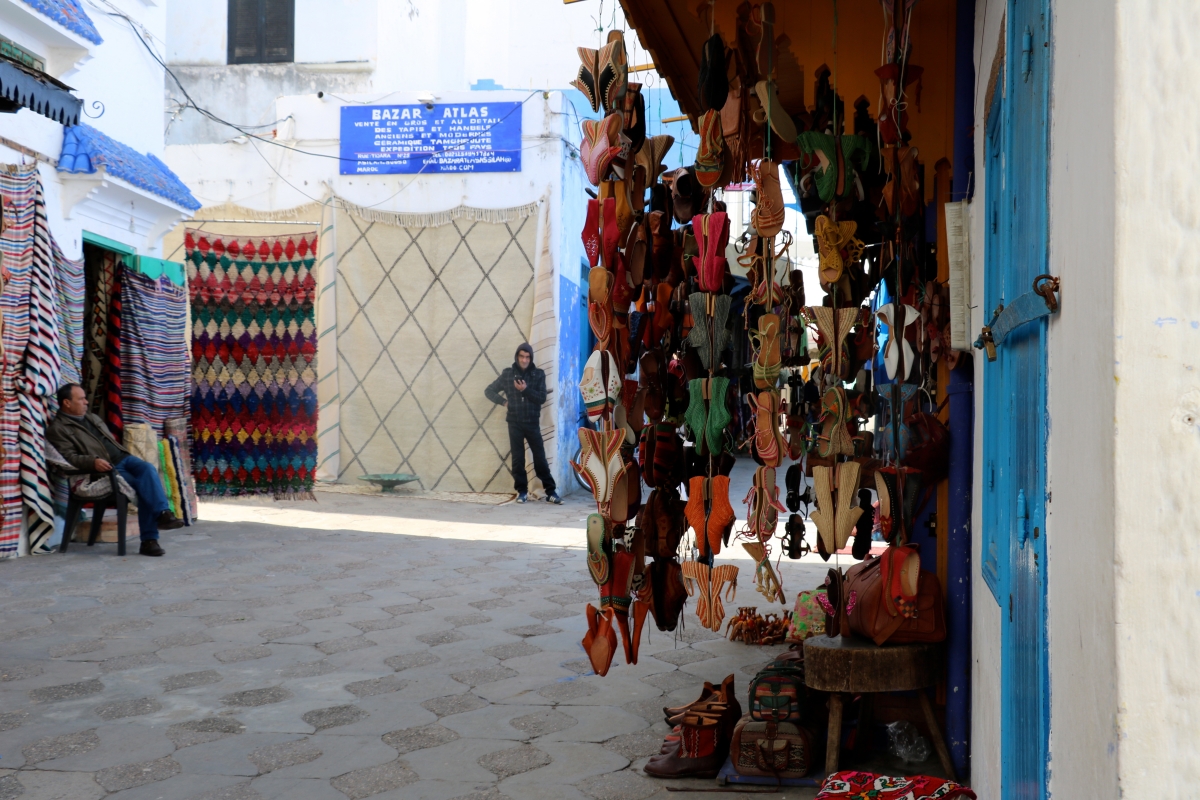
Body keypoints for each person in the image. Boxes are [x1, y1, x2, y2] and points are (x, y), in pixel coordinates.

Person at [47, 384, 184, 556]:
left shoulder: (91, 417)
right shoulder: (58, 429)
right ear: (67, 403)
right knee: (142, 486)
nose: (86, 402)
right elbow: (69, 457)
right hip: (107, 468)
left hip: (123, 458)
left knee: (148, 469)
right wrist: (93, 462)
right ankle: (150, 540)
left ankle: (163, 514)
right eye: (80, 399)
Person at [485, 343, 562, 504]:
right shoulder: (508, 374)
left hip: (532, 422)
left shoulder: (538, 374)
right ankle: (522, 491)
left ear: (531, 358)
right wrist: (504, 402)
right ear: (517, 357)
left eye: (527, 357)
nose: (524, 360)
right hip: (514, 422)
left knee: (540, 458)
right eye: (522, 356)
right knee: (518, 459)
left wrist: (525, 389)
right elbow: (489, 390)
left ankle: (551, 492)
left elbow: (541, 398)